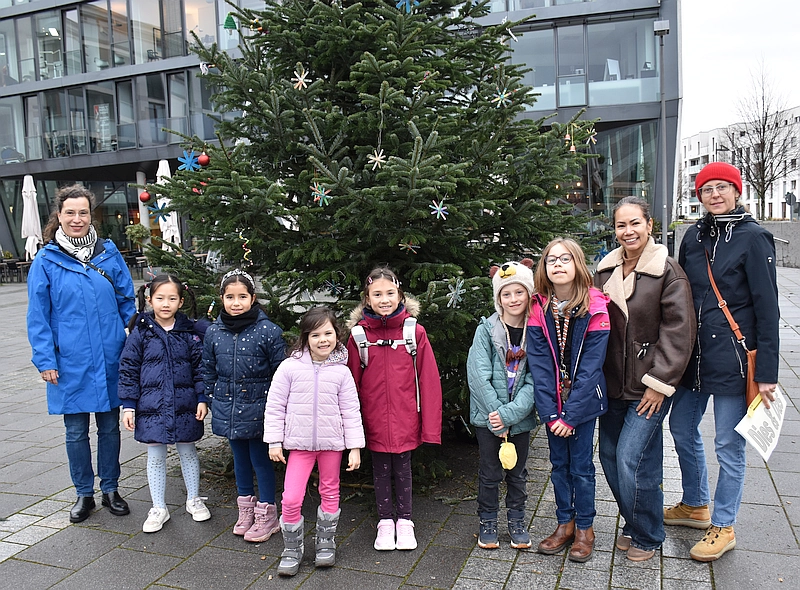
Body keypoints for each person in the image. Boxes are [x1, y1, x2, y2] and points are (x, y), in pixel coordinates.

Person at [665, 162, 779, 562]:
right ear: (699, 196)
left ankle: (724, 524)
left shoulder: (754, 238)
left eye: (722, 187)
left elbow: (768, 310)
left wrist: (767, 373)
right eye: (706, 189)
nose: (715, 194)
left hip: (733, 359)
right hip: (694, 357)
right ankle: (696, 504)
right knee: (680, 427)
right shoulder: (693, 237)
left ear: (736, 191)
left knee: (729, 444)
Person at [594, 197, 696, 561]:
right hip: (611, 384)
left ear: (649, 225)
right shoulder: (604, 272)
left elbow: (679, 332)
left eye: (634, 223)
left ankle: (649, 535)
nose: (628, 231)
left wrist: (659, 383)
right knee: (608, 456)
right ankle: (634, 523)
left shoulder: (668, 271)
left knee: (633, 458)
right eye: (621, 225)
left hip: (649, 386)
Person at [27, 184, 136, 523]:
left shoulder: (108, 252)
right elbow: (37, 315)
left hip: (109, 357)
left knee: (110, 429)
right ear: (58, 216)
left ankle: (111, 489)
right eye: (70, 213)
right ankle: (83, 494)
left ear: (92, 215)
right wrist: (45, 360)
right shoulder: (46, 260)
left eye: (83, 212)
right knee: (75, 432)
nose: (77, 219)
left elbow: (126, 299)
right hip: (68, 362)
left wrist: (129, 338)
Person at [346, 267, 442, 551]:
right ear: (367, 299)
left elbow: (429, 381)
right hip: (373, 420)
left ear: (400, 295)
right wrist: (351, 428)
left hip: (405, 419)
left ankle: (406, 521)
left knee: (402, 468)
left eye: (390, 293)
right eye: (377, 294)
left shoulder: (414, 332)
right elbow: (349, 385)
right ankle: (385, 522)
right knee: (379, 469)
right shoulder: (359, 337)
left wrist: (430, 428)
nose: (384, 299)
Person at [264, 306, 365, 576]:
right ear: (306, 338)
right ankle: (292, 548)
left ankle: (325, 543)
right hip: (299, 446)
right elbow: (275, 406)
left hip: (332, 445)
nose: (323, 340)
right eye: (316, 334)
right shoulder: (289, 367)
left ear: (337, 335)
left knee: (330, 491)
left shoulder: (342, 372)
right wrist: (274, 441)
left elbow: (351, 410)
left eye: (328, 333)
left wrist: (354, 447)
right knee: (291, 497)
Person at [526, 238, 610, 563]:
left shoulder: (596, 306)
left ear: (577, 264)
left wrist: (570, 416)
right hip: (553, 404)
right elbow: (540, 365)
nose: (558, 265)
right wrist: (550, 413)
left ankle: (585, 528)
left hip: (583, 405)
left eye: (565, 259)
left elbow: (590, 369)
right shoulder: (539, 308)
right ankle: (565, 523)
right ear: (544, 268)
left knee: (581, 467)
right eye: (551, 260)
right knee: (558, 465)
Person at [118, 274, 211, 533]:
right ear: (149, 300)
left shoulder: (189, 333)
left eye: (172, 298)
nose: (165, 304)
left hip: (185, 404)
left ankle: (194, 499)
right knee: (155, 456)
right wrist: (128, 404)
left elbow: (200, 369)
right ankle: (159, 507)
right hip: (151, 407)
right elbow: (128, 368)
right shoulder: (140, 332)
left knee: (188, 452)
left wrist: (202, 398)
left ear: (181, 301)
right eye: (160, 298)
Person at [203, 269, 286, 542]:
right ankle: (246, 509)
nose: (236, 303)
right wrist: (209, 399)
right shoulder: (214, 332)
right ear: (222, 298)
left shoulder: (268, 331)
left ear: (253, 298)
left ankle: (267, 512)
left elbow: (280, 373)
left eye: (242, 296)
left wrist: (278, 409)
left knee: (260, 459)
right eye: (230, 297)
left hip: (260, 408)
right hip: (228, 406)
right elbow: (208, 369)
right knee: (239, 459)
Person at [467, 259, 538, 550]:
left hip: (517, 419)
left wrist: (509, 415)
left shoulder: (536, 331)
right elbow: (477, 374)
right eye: (506, 294)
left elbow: (536, 380)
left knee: (518, 472)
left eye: (519, 292)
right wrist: (496, 414)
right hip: (488, 418)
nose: (513, 299)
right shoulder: (486, 330)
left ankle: (517, 519)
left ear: (529, 294)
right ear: (498, 298)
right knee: (490, 472)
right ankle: (488, 520)